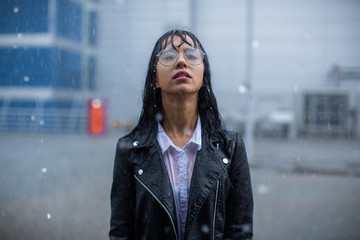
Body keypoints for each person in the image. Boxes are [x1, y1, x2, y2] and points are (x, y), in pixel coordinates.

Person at [109, 29, 253, 240]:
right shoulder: (129, 151)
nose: (181, 62)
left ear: (203, 76)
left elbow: (240, 232)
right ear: (155, 79)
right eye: (169, 55)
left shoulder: (230, 148)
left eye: (192, 55)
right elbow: (121, 233)